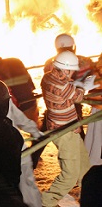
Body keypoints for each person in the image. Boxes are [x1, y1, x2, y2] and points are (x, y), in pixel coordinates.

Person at [40, 51, 96, 207]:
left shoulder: (47, 77)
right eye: (71, 70)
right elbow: (77, 97)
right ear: (65, 69)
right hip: (65, 133)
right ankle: (46, 202)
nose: (72, 73)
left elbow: (68, 93)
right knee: (70, 175)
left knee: (85, 168)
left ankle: (89, 196)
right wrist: (85, 86)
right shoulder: (62, 85)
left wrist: (76, 85)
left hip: (66, 127)